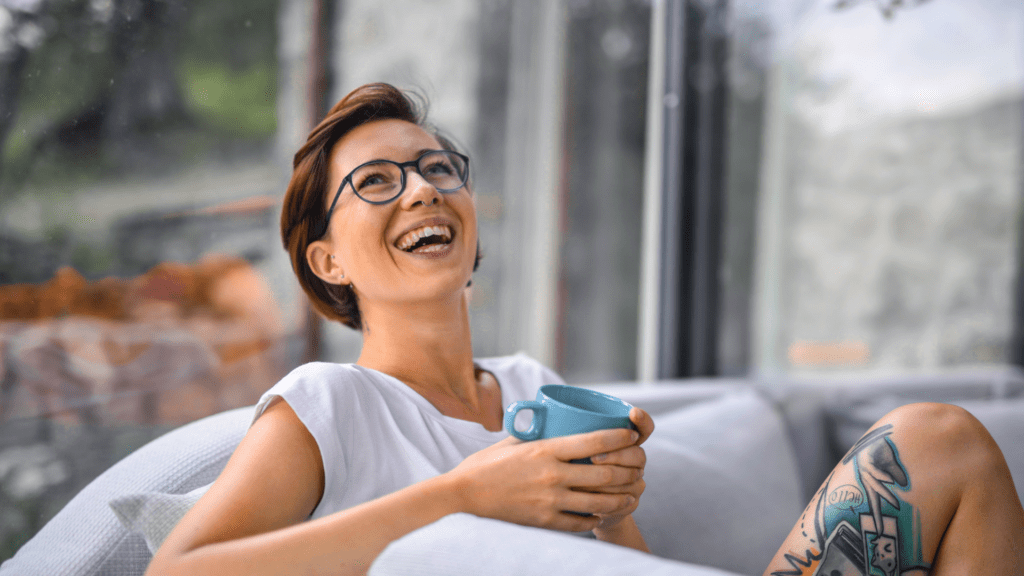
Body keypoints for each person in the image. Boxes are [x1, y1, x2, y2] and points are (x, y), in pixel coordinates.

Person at [145, 83, 1024, 576]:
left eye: (437, 169)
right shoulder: (326, 404)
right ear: (326, 261)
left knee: (941, 441)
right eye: (375, 182)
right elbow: (177, 574)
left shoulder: (534, 387)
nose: (420, 190)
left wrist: (614, 502)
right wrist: (460, 497)